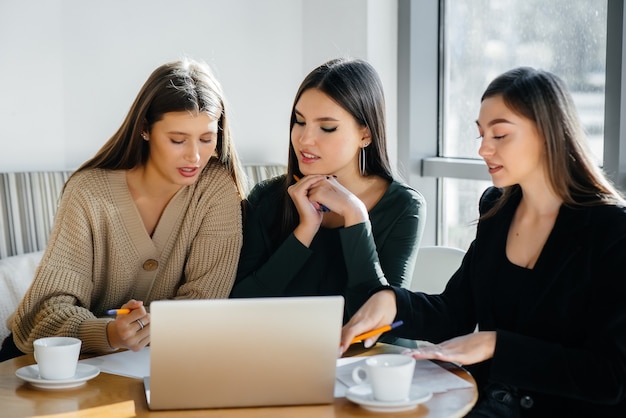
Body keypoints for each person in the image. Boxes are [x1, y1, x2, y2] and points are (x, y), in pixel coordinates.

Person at [340, 67, 626, 416]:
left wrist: (496, 344)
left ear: (549, 134)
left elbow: (612, 377)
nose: (483, 149)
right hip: (484, 403)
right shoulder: (497, 210)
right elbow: (454, 313)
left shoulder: (612, 229)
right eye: (481, 135)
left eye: (500, 135)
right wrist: (392, 303)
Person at [0, 58, 246, 361]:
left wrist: (150, 329)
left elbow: (204, 304)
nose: (195, 156)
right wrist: (109, 333)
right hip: (51, 360)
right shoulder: (88, 193)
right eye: (177, 140)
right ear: (145, 129)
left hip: (145, 361)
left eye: (207, 139)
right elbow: (48, 310)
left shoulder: (216, 189)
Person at [230, 58, 426, 322]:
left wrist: (355, 217)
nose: (305, 139)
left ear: (365, 135)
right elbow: (238, 308)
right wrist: (304, 231)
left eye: (327, 127)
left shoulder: (403, 206)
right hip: (284, 356)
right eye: (299, 122)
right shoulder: (266, 199)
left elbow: (379, 320)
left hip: (370, 359)